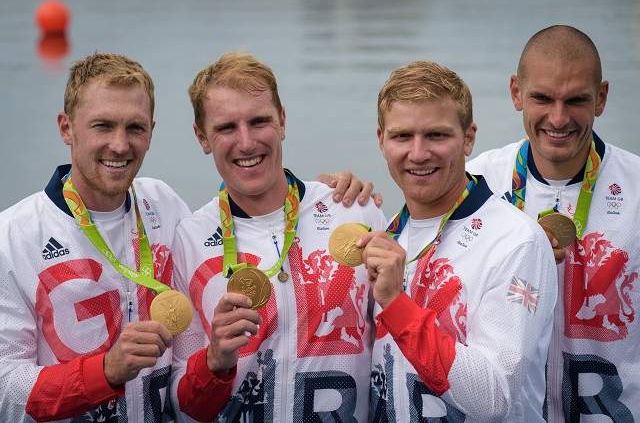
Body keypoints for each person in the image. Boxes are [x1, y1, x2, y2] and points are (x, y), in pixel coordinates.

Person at [170, 52, 387, 422]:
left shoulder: (354, 211)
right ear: (201, 137)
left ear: (282, 121)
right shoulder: (189, 239)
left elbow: (392, 358)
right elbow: (179, 405)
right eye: (226, 128)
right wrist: (213, 363)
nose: (246, 142)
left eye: (259, 122)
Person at [361, 60, 557, 421]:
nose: (418, 154)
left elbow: (494, 396)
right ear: (381, 140)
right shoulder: (388, 232)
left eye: (437, 135)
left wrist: (394, 303)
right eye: (402, 136)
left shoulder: (516, 242)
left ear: (469, 137)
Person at [0, 53, 192, 421]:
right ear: (66, 128)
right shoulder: (12, 237)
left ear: (151, 132)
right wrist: (105, 372)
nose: (120, 145)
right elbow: (7, 388)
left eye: (135, 128)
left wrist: (321, 195)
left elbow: (235, 227)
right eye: (103, 126)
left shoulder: (165, 204)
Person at [467, 25, 640, 421]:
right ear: (516, 93)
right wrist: (347, 193)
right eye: (542, 98)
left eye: (576, 100)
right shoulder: (473, 184)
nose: (558, 119)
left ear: (602, 98)